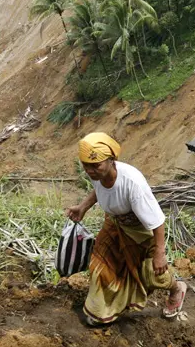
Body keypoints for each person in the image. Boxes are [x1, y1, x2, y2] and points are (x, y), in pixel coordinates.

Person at [65, 132, 187, 326]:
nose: (90, 170)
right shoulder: (97, 174)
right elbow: (98, 189)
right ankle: (101, 311)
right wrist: (83, 207)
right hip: (113, 225)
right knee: (100, 267)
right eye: (85, 165)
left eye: (95, 165)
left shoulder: (132, 184)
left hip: (139, 231)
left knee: (153, 274)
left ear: (112, 160)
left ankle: (177, 288)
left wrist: (159, 252)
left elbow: (156, 221)